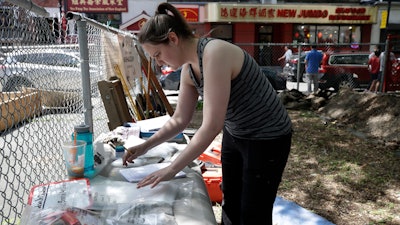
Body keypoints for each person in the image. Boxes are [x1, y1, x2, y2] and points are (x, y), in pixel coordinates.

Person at [122, 3, 293, 225]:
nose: (158, 62)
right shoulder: (188, 70)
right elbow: (179, 120)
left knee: (253, 212)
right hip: (237, 133)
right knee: (230, 202)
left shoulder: (215, 52)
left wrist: (172, 168)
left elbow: (212, 125)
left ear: (173, 39)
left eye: (158, 54)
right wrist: (145, 146)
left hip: (268, 137)